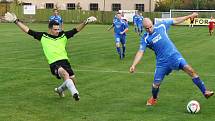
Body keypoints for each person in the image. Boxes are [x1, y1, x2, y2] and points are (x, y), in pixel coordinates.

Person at [4, 12, 97, 101]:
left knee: (72, 82)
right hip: (54, 63)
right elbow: (28, 30)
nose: (57, 31)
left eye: (58, 29)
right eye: (55, 29)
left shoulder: (63, 35)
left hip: (65, 62)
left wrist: (86, 22)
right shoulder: (43, 36)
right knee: (65, 74)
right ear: (50, 29)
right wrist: (16, 21)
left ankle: (59, 90)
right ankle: (75, 94)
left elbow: (76, 30)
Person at [129, 12, 214, 106]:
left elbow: (176, 20)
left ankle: (205, 91)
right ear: (144, 28)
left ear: (152, 24)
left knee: (190, 70)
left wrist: (189, 16)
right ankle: (154, 98)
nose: (149, 29)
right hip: (162, 62)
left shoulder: (161, 25)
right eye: (147, 28)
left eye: (150, 27)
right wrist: (134, 65)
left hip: (174, 56)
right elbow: (140, 51)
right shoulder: (145, 38)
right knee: (155, 85)